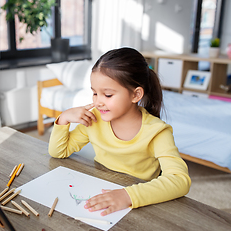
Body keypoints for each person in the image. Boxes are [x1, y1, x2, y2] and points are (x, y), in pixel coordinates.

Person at [48, 47, 191, 216]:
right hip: (102, 190)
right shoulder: (94, 119)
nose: (98, 102)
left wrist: (128, 195)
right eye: (94, 93)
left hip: (141, 202)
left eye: (107, 95)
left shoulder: (157, 132)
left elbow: (180, 180)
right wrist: (63, 119)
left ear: (136, 95)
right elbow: (58, 152)